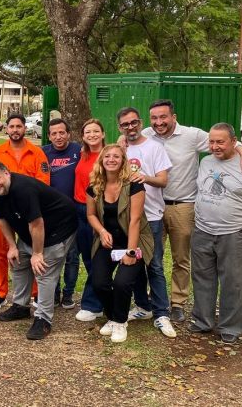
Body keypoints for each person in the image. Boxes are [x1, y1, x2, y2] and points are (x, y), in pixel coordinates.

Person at [142, 100, 242, 323]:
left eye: (163, 117)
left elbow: (223, 141)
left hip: (183, 205)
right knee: (152, 256)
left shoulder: (192, 135)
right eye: (154, 118)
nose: (159, 122)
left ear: (173, 117)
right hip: (152, 206)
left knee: (181, 258)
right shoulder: (146, 134)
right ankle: (154, 300)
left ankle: (177, 302)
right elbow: (125, 142)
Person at [190, 123, 242, 345]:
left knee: (233, 282)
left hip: (235, 234)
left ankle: (230, 327)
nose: (215, 146)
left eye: (220, 142)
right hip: (203, 231)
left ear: (234, 142)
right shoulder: (205, 162)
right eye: (212, 142)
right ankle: (202, 321)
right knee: (202, 278)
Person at [0, 161, 77, 340]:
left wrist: (38, 253)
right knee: (19, 262)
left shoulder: (23, 189)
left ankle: (43, 318)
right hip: (31, 230)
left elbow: (37, 223)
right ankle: (21, 306)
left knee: (43, 270)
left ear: (7, 173)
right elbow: (1, 218)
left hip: (58, 227)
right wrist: (12, 246)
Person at [116, 107, 176, 338]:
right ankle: (143, 307)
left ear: (140, 123)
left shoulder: (154, 147)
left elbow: (163, 180)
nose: (130, 127)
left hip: (150, 217)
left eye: (133, 123)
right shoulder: (120, 147)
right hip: (127, 218)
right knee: (134, 264)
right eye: (124, 124)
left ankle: (162, 313)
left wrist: (145, 177)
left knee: (155, 265)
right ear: (120, 127)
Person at [85, 145, 154, 343]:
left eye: (116, 156)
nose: (111, 159)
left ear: (123, 161)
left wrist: (131, 253)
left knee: (122, 282)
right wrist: (102, 231)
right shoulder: (94, 186)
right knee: (99, 282)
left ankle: (120, 322)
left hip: (134, 242)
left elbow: (135, 220)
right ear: (101, 160)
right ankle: (114, 316)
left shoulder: (133, 185)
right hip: (107, 242)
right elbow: (90, 214)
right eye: (107, 156)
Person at [0, 113, 50, 310]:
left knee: (32, 250)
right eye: (12, 126)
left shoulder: (37, 153)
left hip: (27, 213)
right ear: (7, 129)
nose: (15, 130)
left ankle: (35, 292)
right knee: (1, 250)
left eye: (19, 126)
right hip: (4, 212)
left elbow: (43, 182)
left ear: (25, 128)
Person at [41, 119, 83, 309]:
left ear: (68, 134)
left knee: (72, 257)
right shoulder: (43, 153)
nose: (58, 136)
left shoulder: (79, 151)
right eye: (54, 133)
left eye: (62, 132)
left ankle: (68, 294)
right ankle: (54, 292)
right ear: (49, 136)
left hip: (74, 213)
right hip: (51, 215)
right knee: (52, 256)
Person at [74, 119, 107, 322]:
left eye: (96, 131)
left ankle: (91, 304)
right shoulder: (82, 154)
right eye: (88, 132)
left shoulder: (109, 155)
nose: (92, 135)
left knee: (97, 258)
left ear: (103, 134)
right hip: (79, 208)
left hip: (98, 210)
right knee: (87, 257)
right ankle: (101, 297)